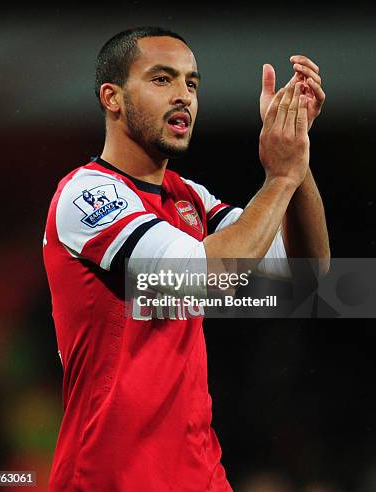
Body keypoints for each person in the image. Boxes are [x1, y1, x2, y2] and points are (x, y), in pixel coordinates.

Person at [43, 27, 330, 491]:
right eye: (162, 80)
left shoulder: (188, 198)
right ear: (112, 97)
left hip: (199, 471)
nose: (184, 97)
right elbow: (203, 275)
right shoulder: (87, 194)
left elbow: (307, 277)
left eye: (191, 84)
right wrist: (279, 178)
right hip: (110, 475)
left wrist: (298, 158)